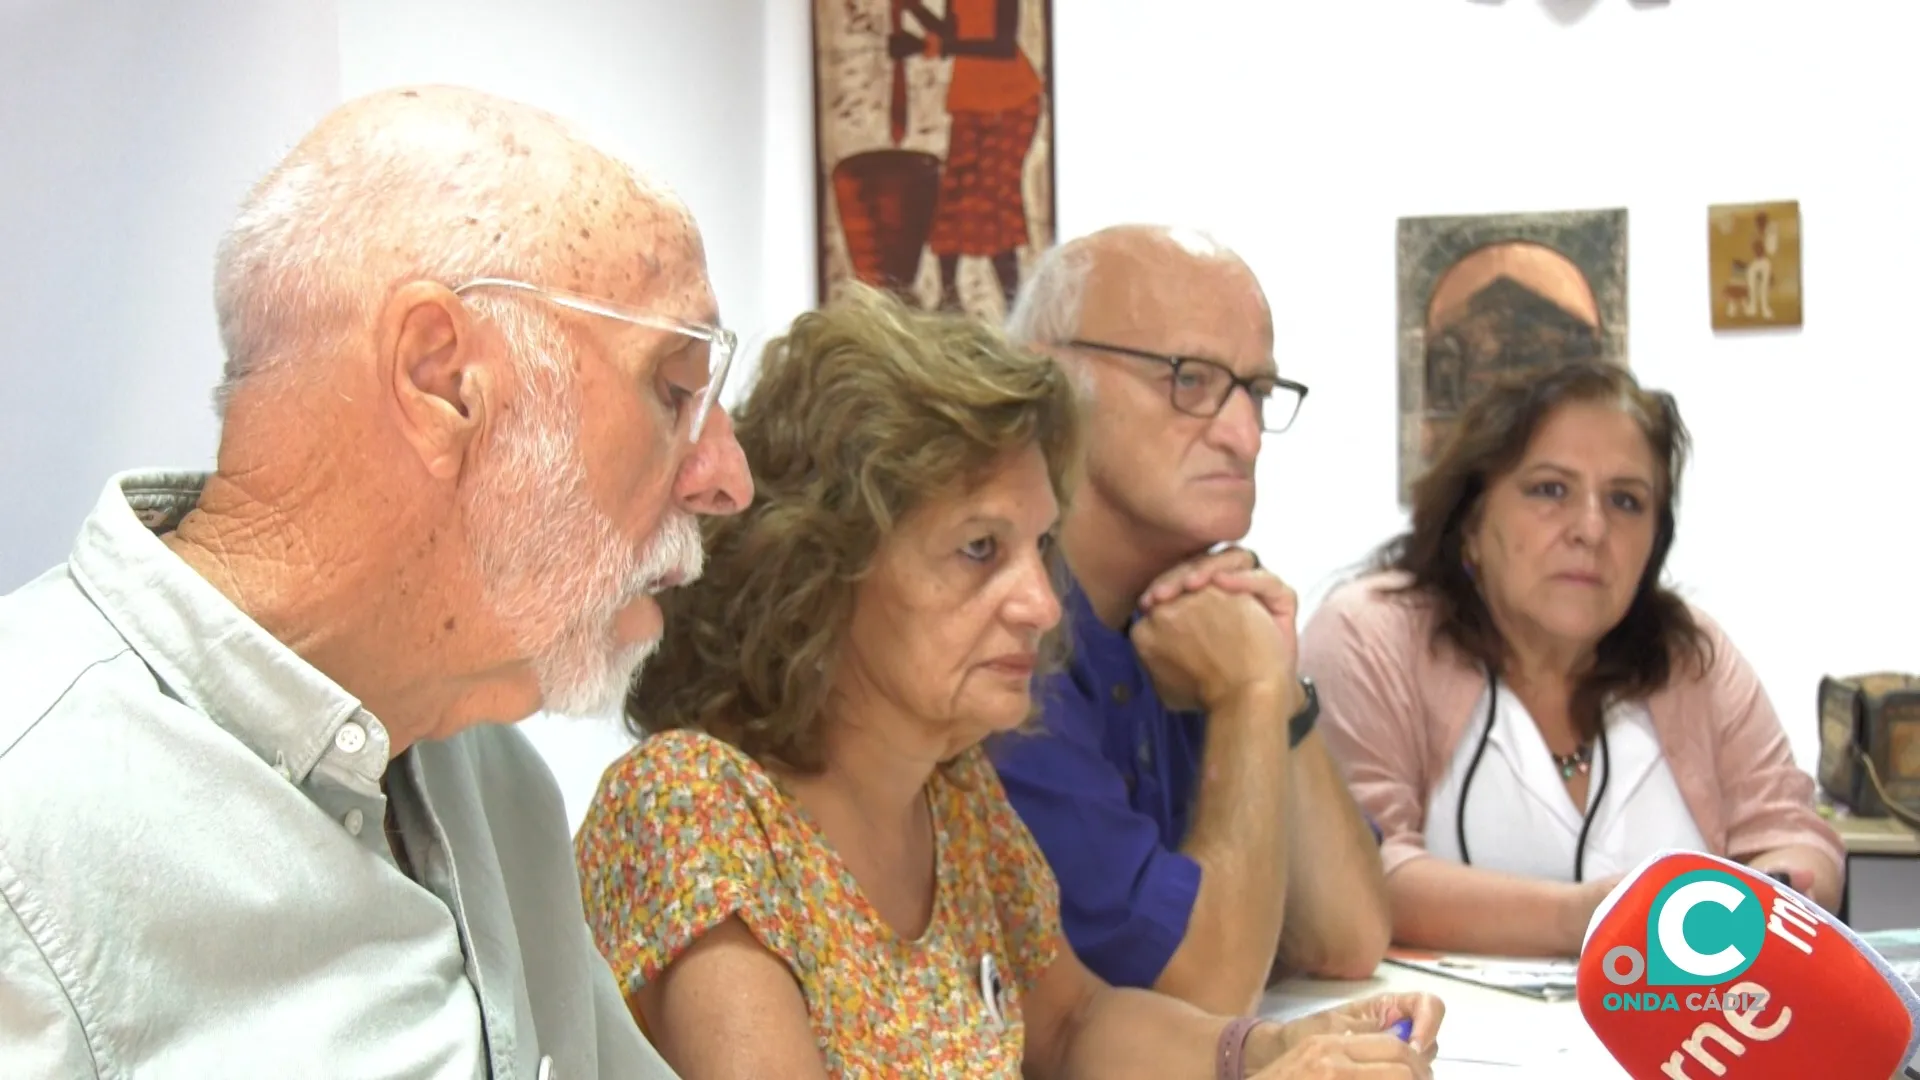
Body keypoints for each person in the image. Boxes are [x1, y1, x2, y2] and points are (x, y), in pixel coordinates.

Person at [0, 85, 752, 1076]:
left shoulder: (492, 780)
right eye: (676, 389)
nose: (727, 479)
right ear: (442, 380)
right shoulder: (29, 843)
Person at [576, 286, 1444, 1080]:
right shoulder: (691, 806)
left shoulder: (953, 792)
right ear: (822, 571)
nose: (1038, 603)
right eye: (980, 550)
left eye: (1041, 549)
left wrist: (1264, 1051)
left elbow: (1073, 1026)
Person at [1300, 359, 1845, 959]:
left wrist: (1783, 887)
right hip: (1440, 1044)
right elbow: (1361, 877)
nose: (1591, 528)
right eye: (1550, 490)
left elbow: (1795, 838)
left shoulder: (1693, 656)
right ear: (1472, 521)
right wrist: (1590, 920)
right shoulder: (1371, 636)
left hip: (1677, 1037)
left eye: (1626, 501)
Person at [987, 224, 1392, 1016]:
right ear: (1048, 377)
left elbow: (1347, 941)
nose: (1244, 436)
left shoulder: (1204, 612)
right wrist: (1247, 691)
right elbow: (1206, 991)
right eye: (1190, 379)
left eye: (1259, 392)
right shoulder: (1003, 636)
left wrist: (1275, 686)